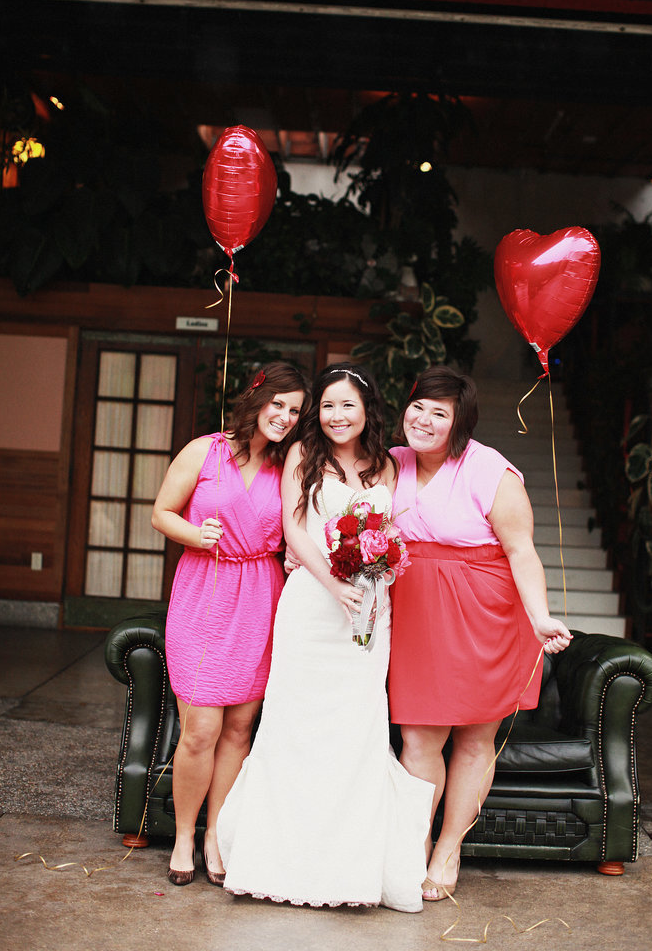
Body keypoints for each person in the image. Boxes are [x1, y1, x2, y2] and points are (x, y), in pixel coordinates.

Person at [215, 362, 433, 911]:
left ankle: (349, 866)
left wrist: (377, 571)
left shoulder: (383, 464)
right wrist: (331, 583)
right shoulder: (301, 456)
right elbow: (293, 527)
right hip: (312, 607)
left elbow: (388, 533)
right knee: (295, 724)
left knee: (356, 728)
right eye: (328, 406)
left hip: (368, 612)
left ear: (366, 412)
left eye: (348, 406)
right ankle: (275, 860)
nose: (337, 416)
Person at [387, 365, 573, 902]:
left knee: (473, 738)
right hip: (417, 613)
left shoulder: (491, 471)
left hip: (484, 613)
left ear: (459, 423)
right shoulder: (391, 462)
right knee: (420, 737)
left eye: (439, 413)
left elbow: (521, 551)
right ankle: (413, 844)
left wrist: (540, 617)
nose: (423, 419)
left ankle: (448, 850)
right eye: (417, 405)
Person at [151, 362, 309, 886]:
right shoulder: (205, 450)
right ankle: (183, 836)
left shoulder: (289, 466)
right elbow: (161, 513)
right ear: (256, 399)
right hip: (205, 589)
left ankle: (217, 834)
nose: (284, 417)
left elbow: (299, 529)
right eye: (278, 405)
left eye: (295, 411)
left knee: (240, 728)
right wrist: (197, 536)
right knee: (201, 728)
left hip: (261, 595)